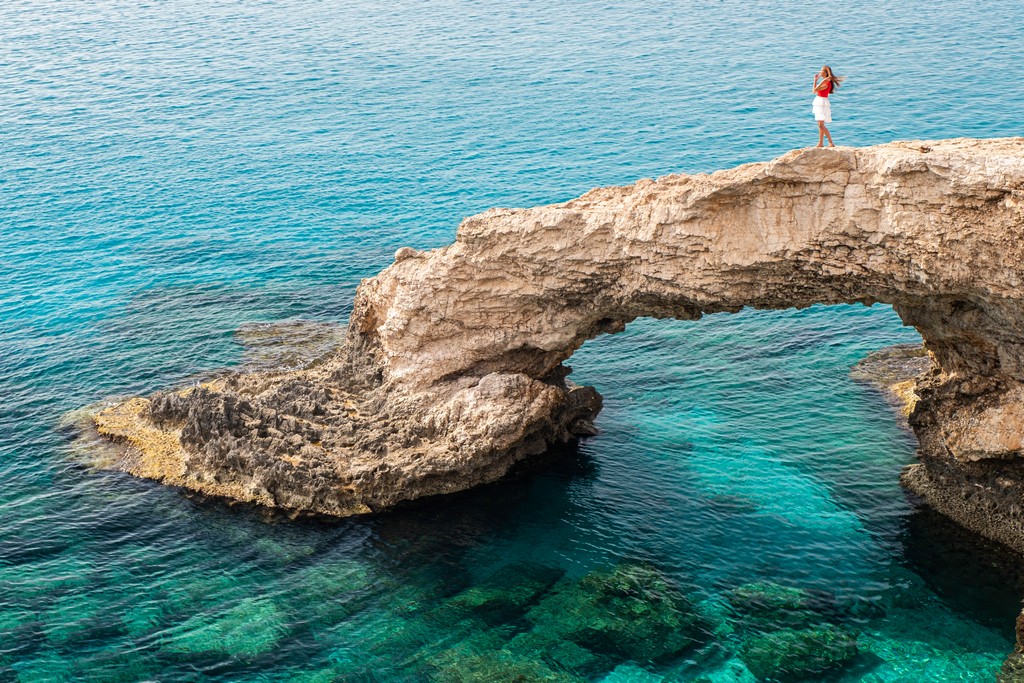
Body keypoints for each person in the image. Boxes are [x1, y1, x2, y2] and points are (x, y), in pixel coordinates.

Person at [812, 65, 845, 147]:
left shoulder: (826, 83)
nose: (820, 72)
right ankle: (820, 143)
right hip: (819, 101)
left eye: (822, 70)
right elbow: (814, 91)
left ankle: (831, 142)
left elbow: (816, 89)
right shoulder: (825, 82)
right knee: (820, 124)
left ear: (825, 73)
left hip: (822, 102)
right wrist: (815, 80)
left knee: (821, 125)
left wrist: (822, 81)